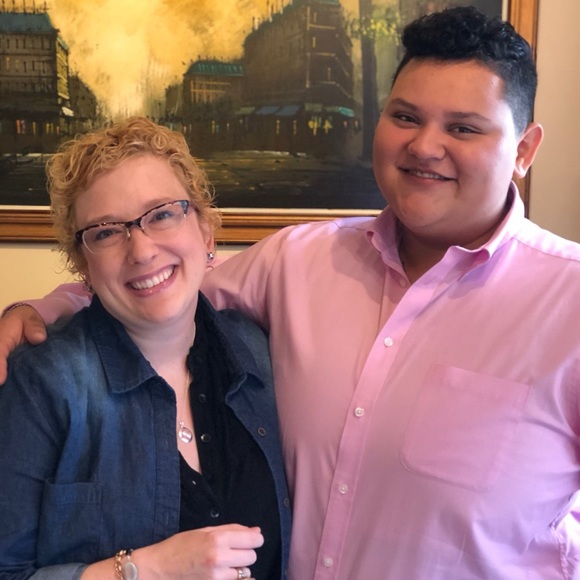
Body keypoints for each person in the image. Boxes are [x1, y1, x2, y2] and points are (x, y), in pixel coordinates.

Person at [2, 6, 580, 579]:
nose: (425, 146)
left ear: (524, 150)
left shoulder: (569, 302)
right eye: (406, 116)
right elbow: (162, 294)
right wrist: (39, 311)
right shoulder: (299, 260)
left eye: (463, 127)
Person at [0, 117, 290, 579]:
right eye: (105, 232)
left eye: (161, 214)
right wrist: (145, 569)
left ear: (206, 233)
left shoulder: (257, 352)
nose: (141, 251)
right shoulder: (41, 383)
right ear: (83, 265)